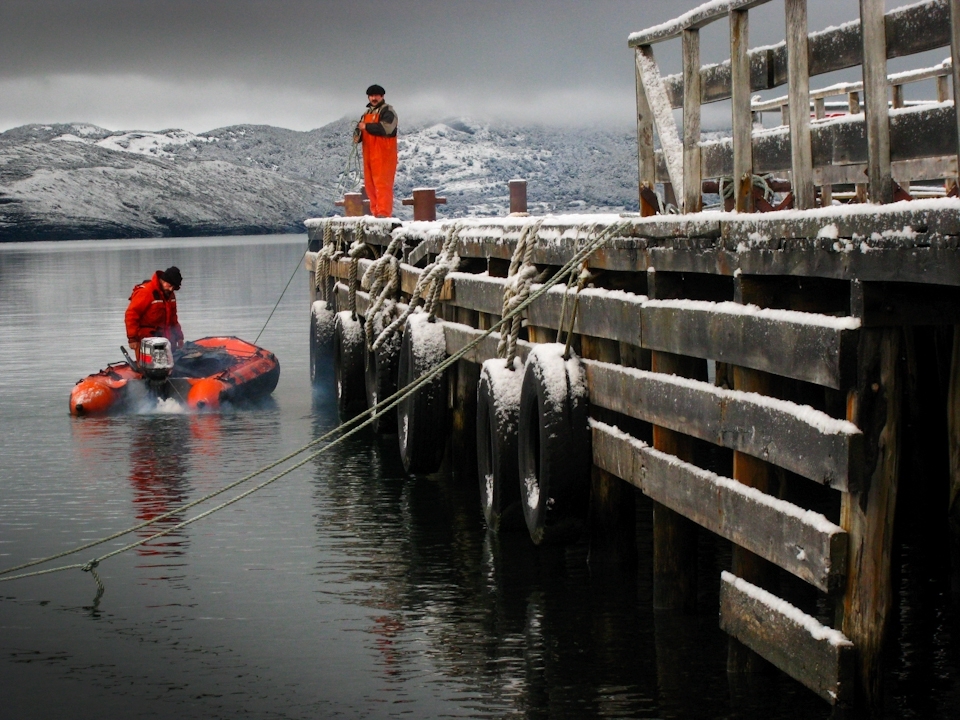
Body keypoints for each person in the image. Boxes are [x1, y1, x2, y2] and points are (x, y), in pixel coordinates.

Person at [353, 84, 398, 218]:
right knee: (370, 184)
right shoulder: (366, 114)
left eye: (376, 95)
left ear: (382, 96)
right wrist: (357, 135)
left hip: (384, 153)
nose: (374, 98)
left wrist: (366, 126)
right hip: (369, 153)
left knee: (382, 183)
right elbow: (361, 130)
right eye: (371, 96)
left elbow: (387, 129)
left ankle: (384, 213)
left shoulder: (388, 111)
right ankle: (376, 212)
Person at [125, 266, 184, 360]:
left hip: (166, 338)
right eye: (169, 285)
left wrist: (179, 337)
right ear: (162, 280)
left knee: (168, 366)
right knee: (148, 367)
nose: (171, 289)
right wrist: (132, 339)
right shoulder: (146, 292)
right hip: (148, 339)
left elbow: (174, 318)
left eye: (174, 287)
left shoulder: (170, 294)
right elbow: (131, 315)